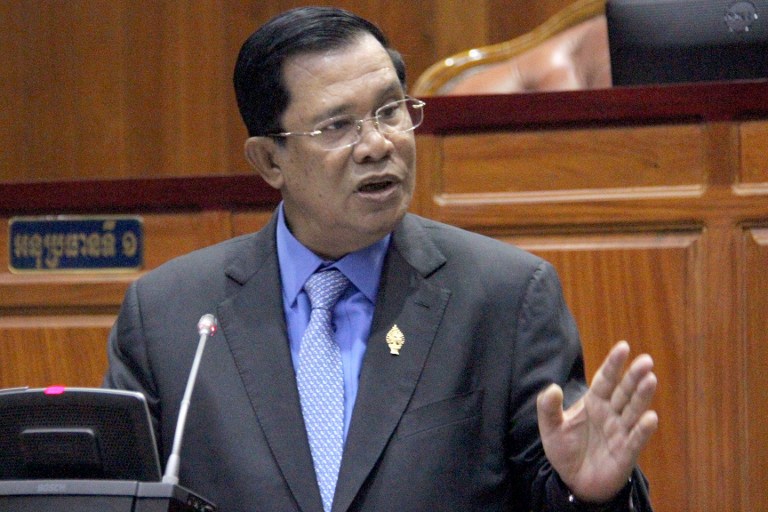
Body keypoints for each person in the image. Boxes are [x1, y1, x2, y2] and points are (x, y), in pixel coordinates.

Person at [104, 6, 658, 512]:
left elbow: (558, 480)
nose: (377, 144)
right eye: (336, 126)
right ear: (270, 161)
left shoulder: (505, 298)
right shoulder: (169, 318)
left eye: (390, 111)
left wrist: (590, 494)